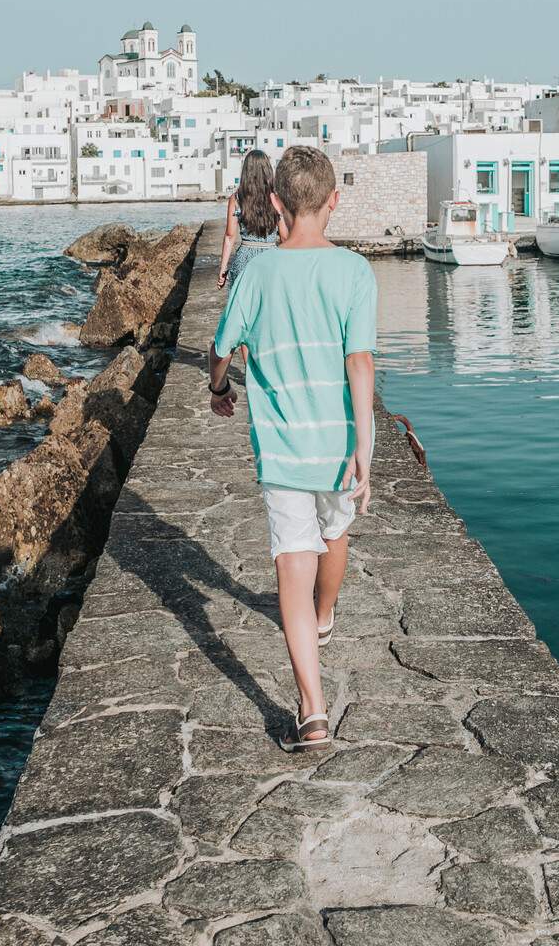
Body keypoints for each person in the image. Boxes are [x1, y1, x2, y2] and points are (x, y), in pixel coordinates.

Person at [207, 145, 376, 752]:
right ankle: (326, 618)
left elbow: (222, 345)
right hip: (339, 444)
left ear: (276, 203)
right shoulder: (355, 271)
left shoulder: (257, 272)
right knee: (336, 535)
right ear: (334, 201)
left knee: (292, 564)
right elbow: (359, 361)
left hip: (281, 448)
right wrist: (363, 446)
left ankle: (312, 713)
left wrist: (217, 387)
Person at [217, 149, 283, 291]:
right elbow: (285, 236)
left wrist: (223, 269)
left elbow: (229, 236)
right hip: (271, 258)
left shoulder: (237, 199)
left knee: (243, 307)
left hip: (244, 259)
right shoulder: (277, 199)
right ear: (268, 171)